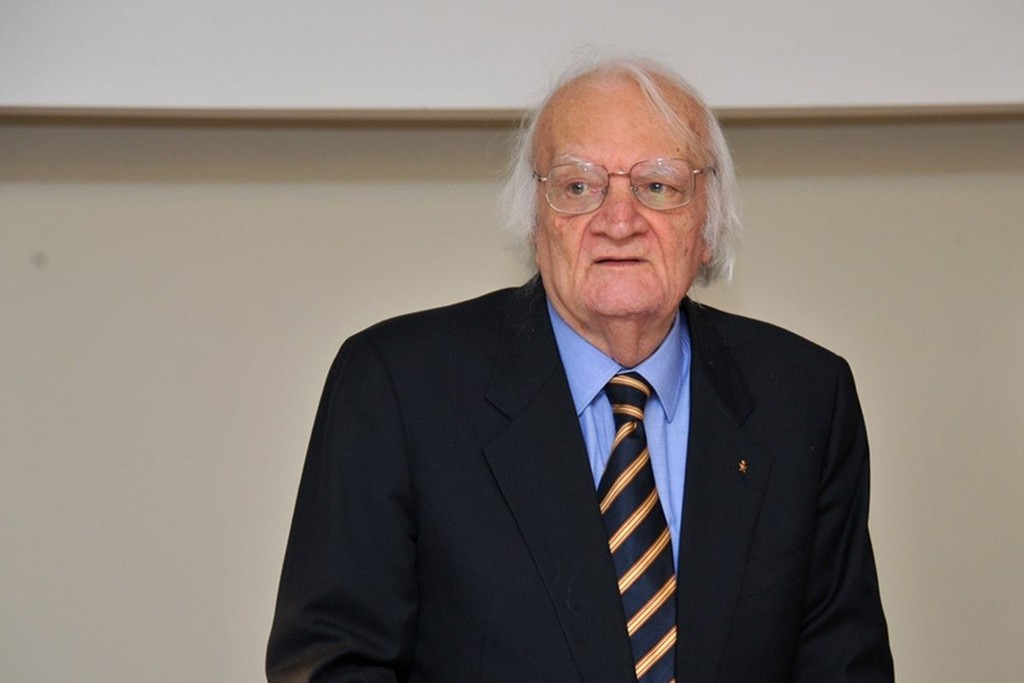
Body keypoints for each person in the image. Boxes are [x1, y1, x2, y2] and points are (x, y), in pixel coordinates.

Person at [267, 55, 894, 682]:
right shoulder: (396, 387)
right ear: (535, 224)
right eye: (577, 188)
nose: (618, 222)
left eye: (658, 186)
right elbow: (331, 664)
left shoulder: (806, 398)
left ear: (707, 224)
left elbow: (844, 668)